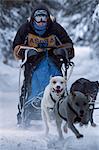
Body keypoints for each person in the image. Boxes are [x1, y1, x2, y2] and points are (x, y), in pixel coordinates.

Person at [13, 3, 75, 125]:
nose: (41, 21)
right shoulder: (25, 29)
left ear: (48, 18)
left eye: (43, 17)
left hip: (52, 60)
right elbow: (16, 47)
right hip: (33, 62)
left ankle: (59, 104)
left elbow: (68, 45)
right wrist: (25, 51)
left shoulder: (56, 28)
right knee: (31, 82)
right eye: (38, 17)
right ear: (33, 18)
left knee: (56, 77)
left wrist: (61, 51)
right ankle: (29, 106)